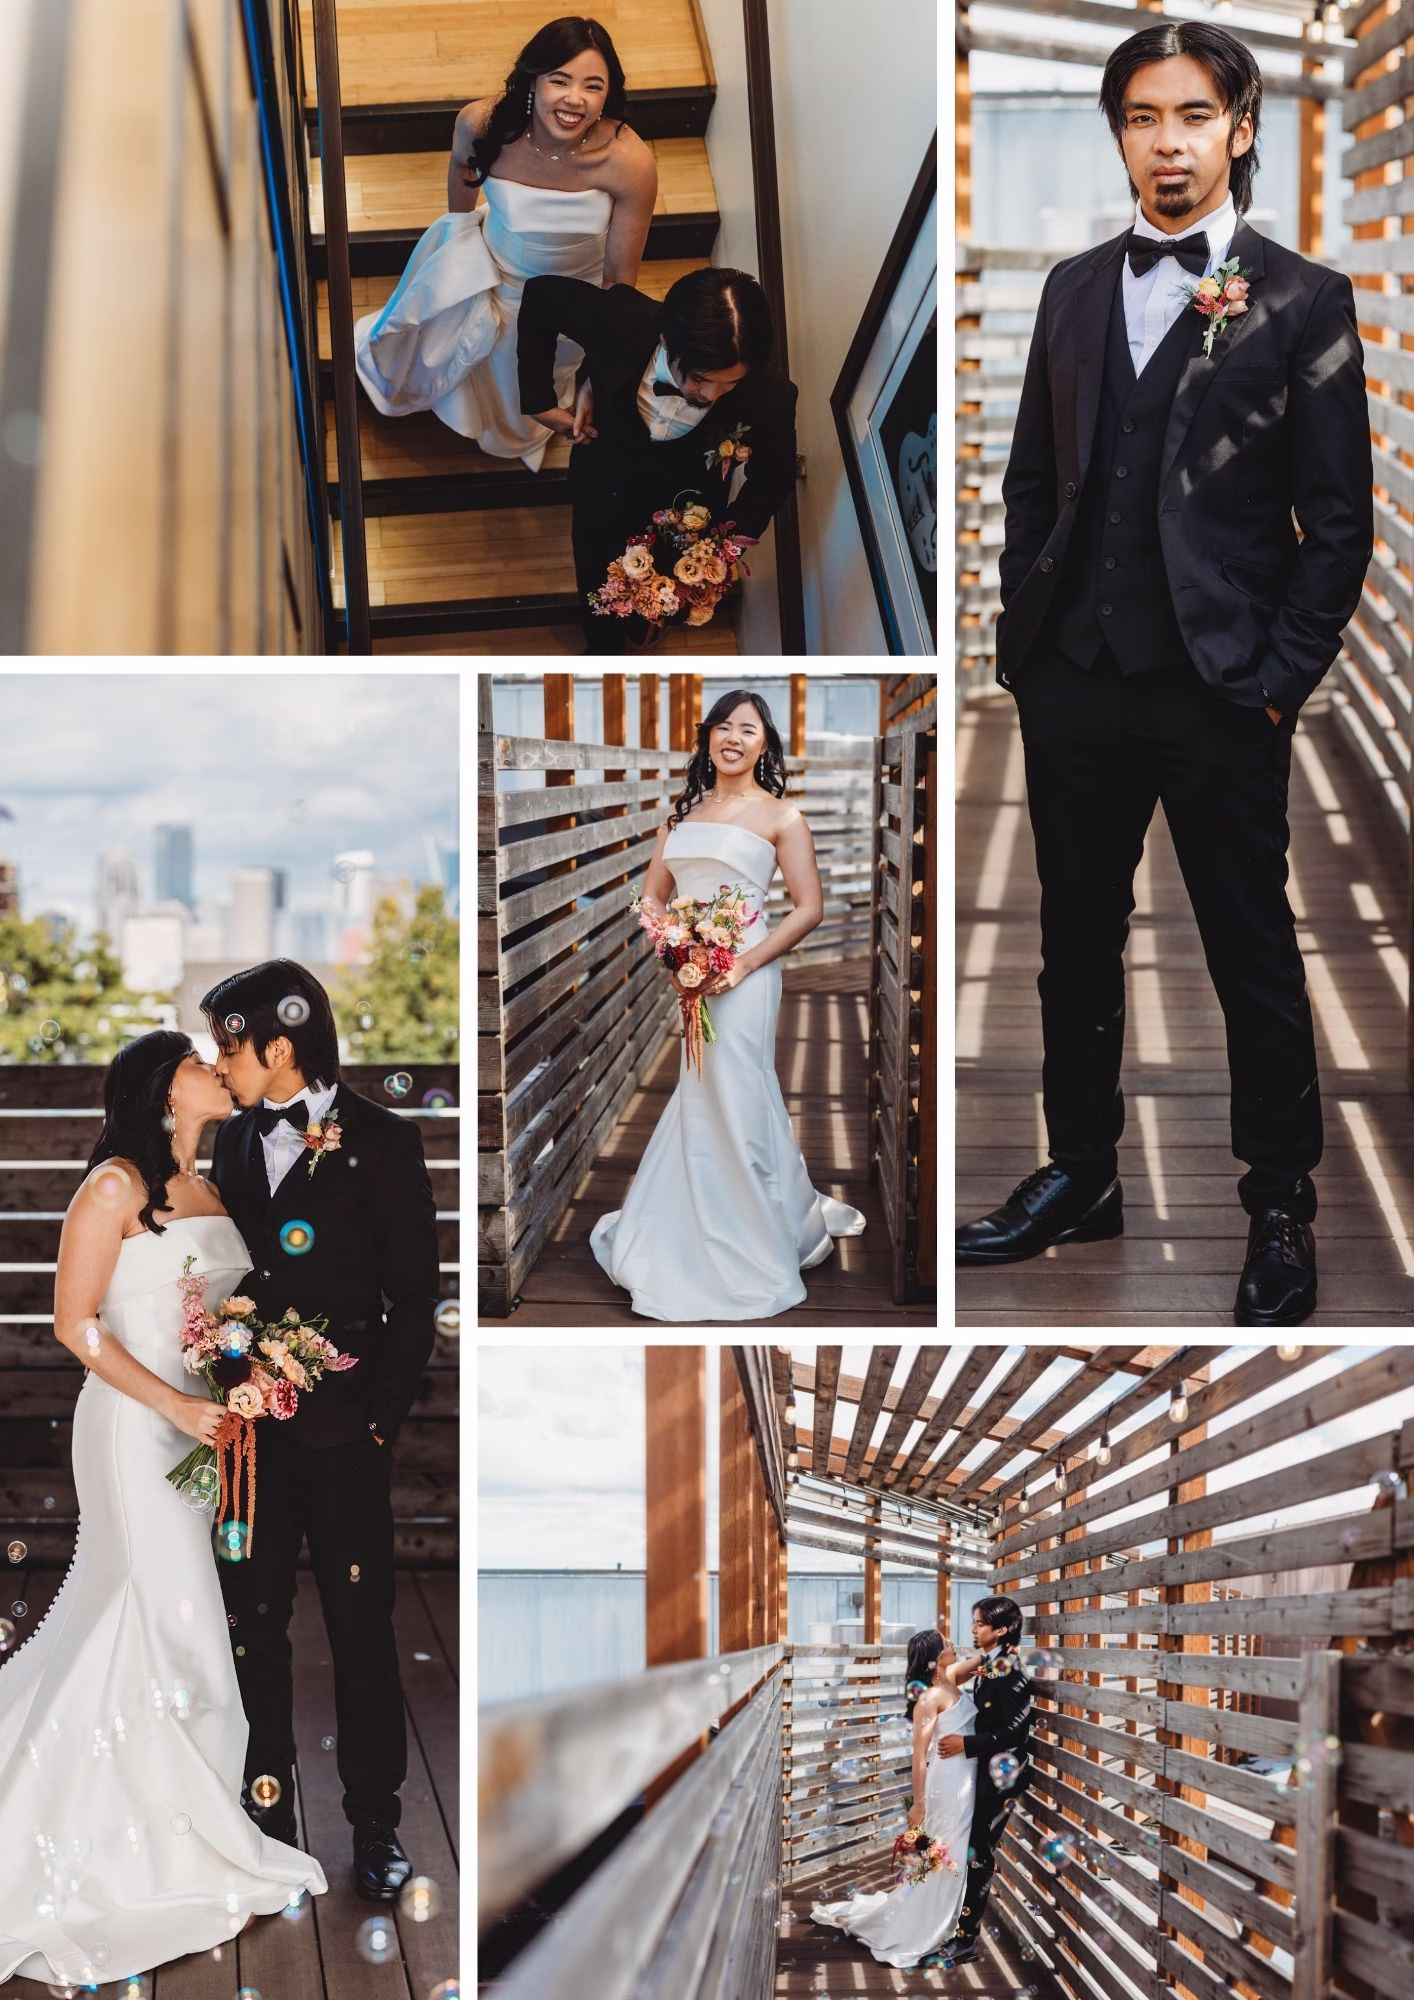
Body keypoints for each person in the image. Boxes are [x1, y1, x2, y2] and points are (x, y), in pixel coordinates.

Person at [955, 20, 1374, 1326]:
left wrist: (1273, 678)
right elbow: (1035, 480)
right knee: (1072, 946)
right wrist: (1023, 646)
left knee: (1249, 950)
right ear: (1120, 133)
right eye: (1142, 116)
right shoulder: (1076, 288)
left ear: (1237, 127)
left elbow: (1338, 521)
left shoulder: (1302, 300)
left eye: (1191, 114)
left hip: (1217, 687)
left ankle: (1278, 1207)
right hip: (1072, 675)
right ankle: (1081, 1173)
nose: (1167, 140)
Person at [0, 1032, 326, 1989]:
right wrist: (176, 1401)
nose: (214, 1067)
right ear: (161, 1088)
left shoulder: (211, 1185)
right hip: (134, 1432)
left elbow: (218, 1313)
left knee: (168, 1620)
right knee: (160, 1614)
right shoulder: (113, 1186)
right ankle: (138, 1833)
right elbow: (76, 1323)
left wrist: (250, 1369)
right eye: (195, 1060)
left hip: (198, 1431)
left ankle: (171, 1807)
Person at [200, 961, 439, 1901]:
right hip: (248, 1441)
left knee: (361, 1630)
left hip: (344, 1438)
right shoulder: (229, 1143)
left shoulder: (383, 1141)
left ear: (280, 1047)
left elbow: (414, 1297)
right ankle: (268, 1818)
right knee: (254, 1627)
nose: (220, 1065)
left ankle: (375, 1824)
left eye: (228, 1044)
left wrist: (375, 1421)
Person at [590, 691, 865, 1318]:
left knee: (737, 1089)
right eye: (723, 725)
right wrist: (674, 951)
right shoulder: (680, 816)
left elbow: (809, 907)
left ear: (764, 743)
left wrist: (739, 961)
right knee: (701, 1089)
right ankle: (685, 1225)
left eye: (749, 728)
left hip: (747, 972)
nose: (733, 736)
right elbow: (653, 897)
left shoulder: (781, 817)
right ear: (708, 736)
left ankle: (752, 1234)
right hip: (692, 972)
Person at [353, 15, 657, 470]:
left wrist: (598, 371)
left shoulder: (629, 162)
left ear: (607, 94)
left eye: (593, 86)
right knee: (480, 361)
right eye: (560, 80)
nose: (575, 99)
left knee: (537, 375)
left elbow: (619, 279)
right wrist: (457, 235)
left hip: (574, 292)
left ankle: (518, 433)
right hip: (495, 274)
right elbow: (462, 168)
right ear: (533, 80)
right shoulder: (481, 122)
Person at [518, 265, 799, 651]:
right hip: (602, 480)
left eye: (728, 384)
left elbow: (775, 474)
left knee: (657, 606)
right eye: (701, 379)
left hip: (684, 516)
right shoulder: (622, 321)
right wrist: (539, 403)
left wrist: (723, 543)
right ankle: (601, 645)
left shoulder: (770, 396)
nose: (713, 396)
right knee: (592, 568)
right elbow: (540, 295)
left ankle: (643, 630)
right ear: (668, 340)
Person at [811, 1630, 981, 1968]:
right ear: (934, 1657)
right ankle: (929, 1925)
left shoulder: (950, 1678)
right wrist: (919, 1803)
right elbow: (919, 1756)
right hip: (947, 1783)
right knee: (951, 1854)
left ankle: (946, 1921)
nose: (953, 1646)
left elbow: (984, 1660)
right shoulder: (928, 1699)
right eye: (946, 1644)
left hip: (968, 1779)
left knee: (953, 1853)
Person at [935, 1595, 1034, 1965]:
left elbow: (1016, 1733)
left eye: (980, 1623)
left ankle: (965, 1941)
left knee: (979, 1852)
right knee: (970, 1847)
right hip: (984, 1770)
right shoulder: (993, 1664)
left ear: (1002, 1629)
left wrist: (965, 1744)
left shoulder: (1012, 1672)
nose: (973, 1629)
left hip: (1002, 1779)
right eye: (974, 1622)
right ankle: (957, 1928)